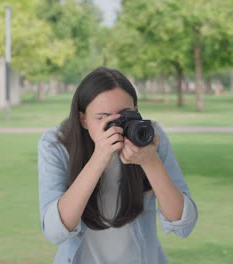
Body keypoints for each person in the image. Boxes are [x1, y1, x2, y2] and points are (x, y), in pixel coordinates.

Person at [38, 67, 198, 264]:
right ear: (83, 119)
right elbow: (55, 232)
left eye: (125, 115)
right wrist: (98, 159)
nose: (116, 126)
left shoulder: (150, 136)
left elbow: (183, 224)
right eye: (103, 117)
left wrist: (150, 162)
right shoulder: (56, 144)